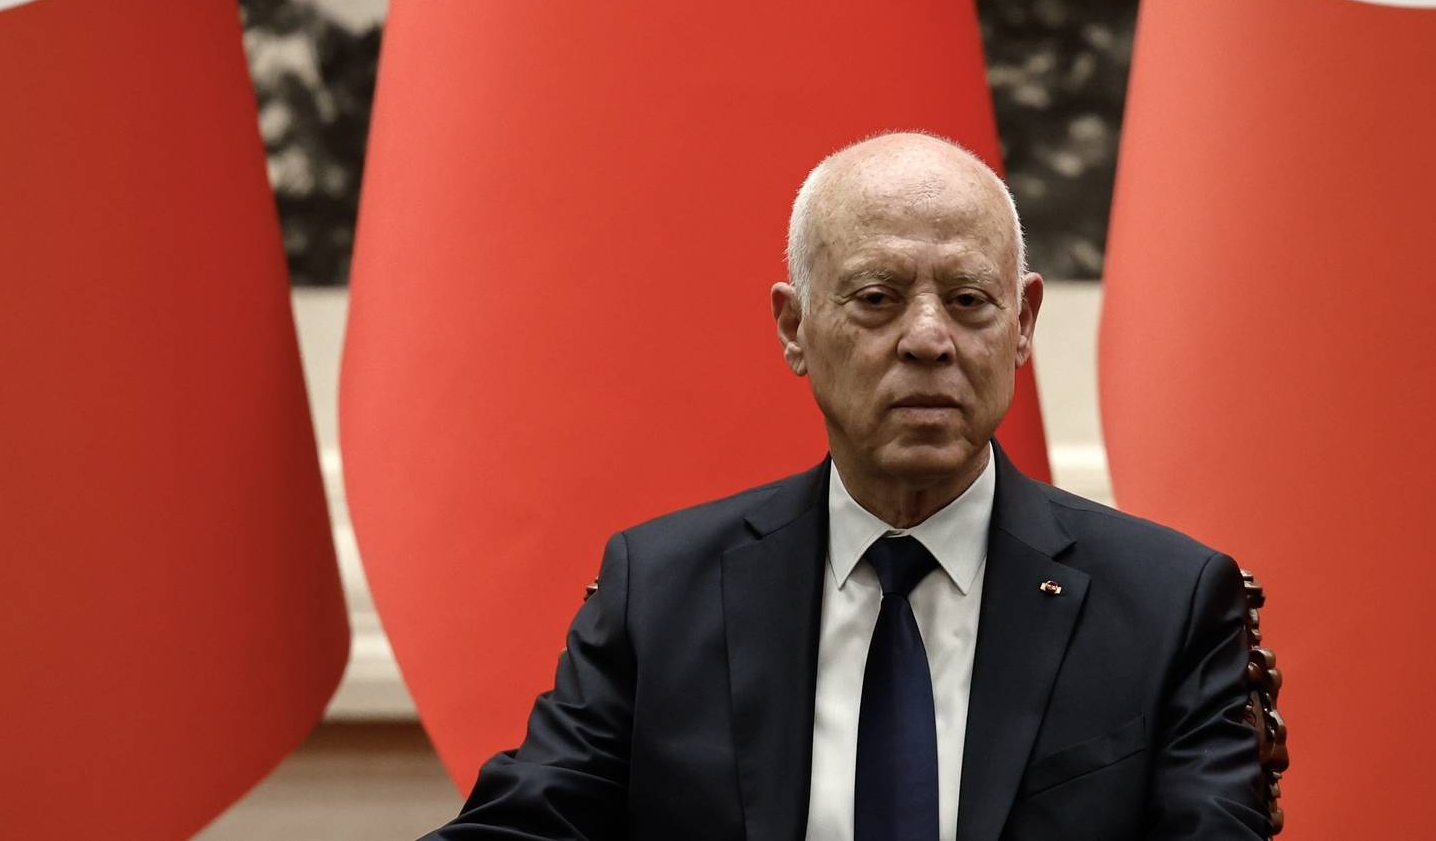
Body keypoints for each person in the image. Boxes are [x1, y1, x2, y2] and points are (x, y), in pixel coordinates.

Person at [420, 132, 1270, 840]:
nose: (929, 338)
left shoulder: (1166, 604)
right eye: (877, 297)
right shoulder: (663, 594)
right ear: (795, 327)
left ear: (1023, 324)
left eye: (970, 299)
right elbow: (527, 825)